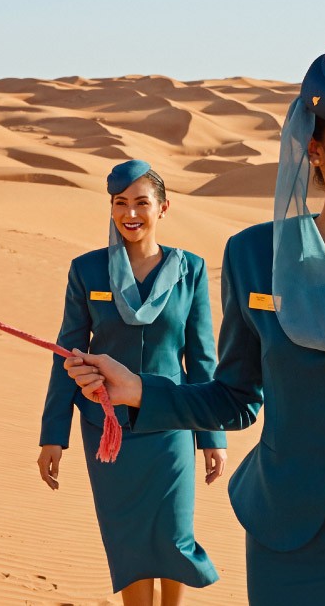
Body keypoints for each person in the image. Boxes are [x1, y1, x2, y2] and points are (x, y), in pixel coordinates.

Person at [65, 48, 325, 605]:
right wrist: (140, 391)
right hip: (286, 544)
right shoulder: (254, 256)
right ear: (315, 149)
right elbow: (236, 397)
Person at [39, 159, 227, 605]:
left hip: (172, 423)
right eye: (119, 203)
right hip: (107, 429)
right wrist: (53, 437)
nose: (130, 213)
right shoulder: (87, 271)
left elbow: (201, 359)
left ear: (163, 207)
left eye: (141, 202)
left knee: (174, 535)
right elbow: (66, 353)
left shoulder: (191, 270)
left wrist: (212, 437)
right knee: (128, 540)